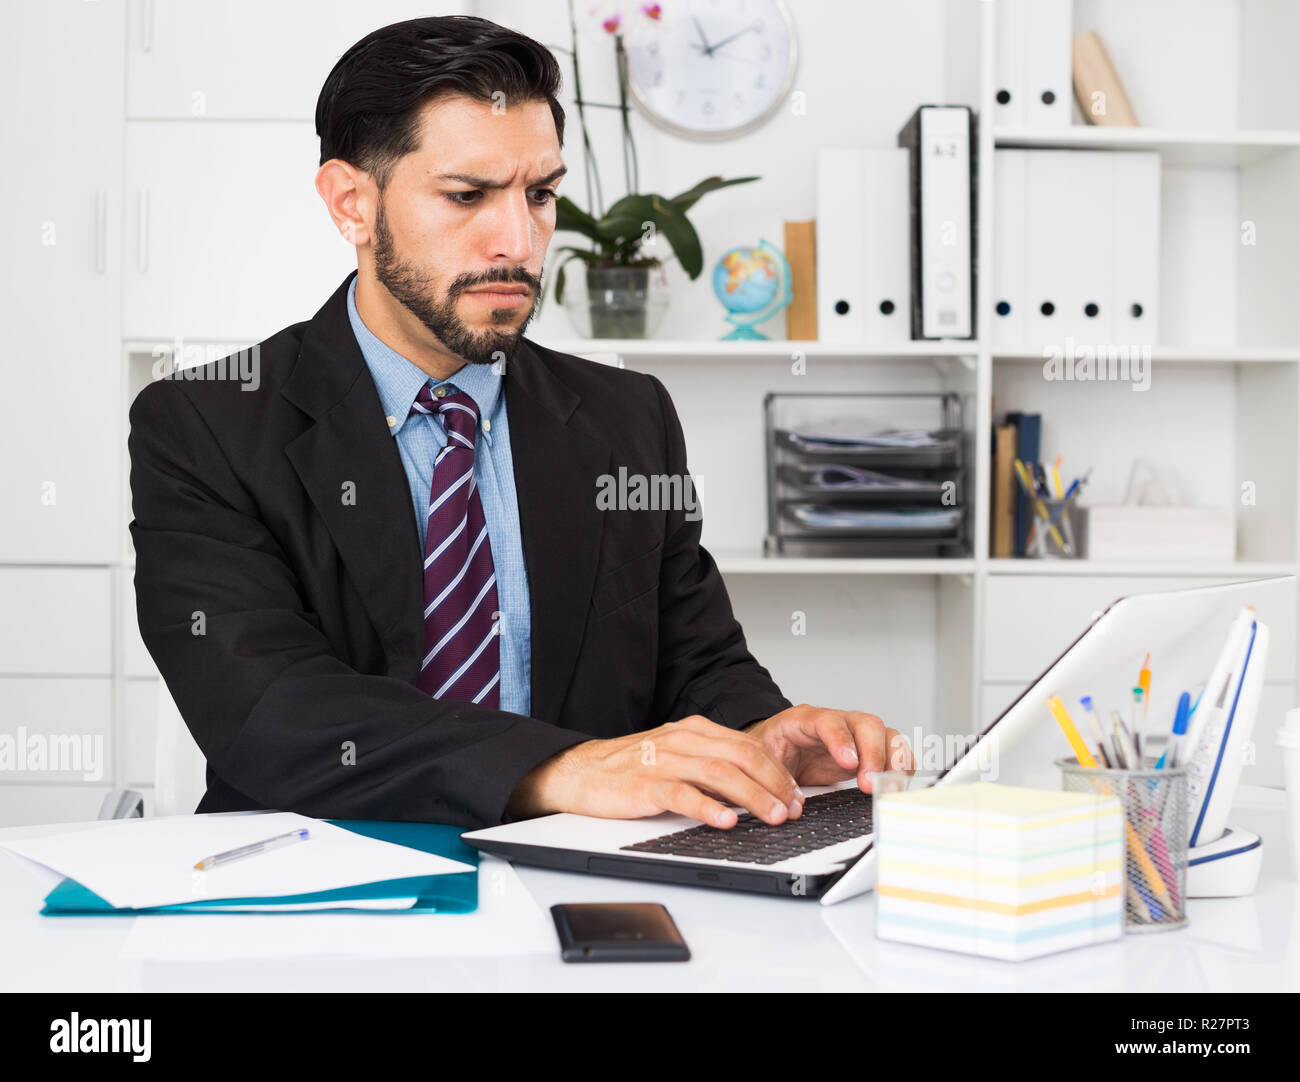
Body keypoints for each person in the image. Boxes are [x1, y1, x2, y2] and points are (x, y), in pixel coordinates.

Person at [129, 14, 913, 831]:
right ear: (352, 202)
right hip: (316, 884)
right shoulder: (203, 424)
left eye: (540, 195)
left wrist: (761, 731)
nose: (519, 240)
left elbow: (694, 659)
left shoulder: (627, 417)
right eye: (467, 195)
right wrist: (552, 768)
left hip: (575, 874)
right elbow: (268, 706)